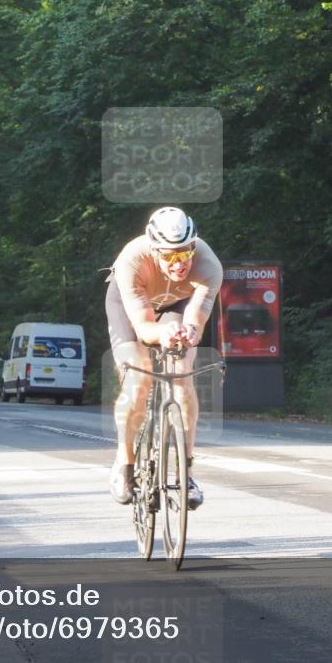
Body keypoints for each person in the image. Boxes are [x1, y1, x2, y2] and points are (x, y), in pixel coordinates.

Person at [105, 207, 223, 509]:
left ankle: (187, 472)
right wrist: (163, 333)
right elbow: (144, 327)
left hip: (177, 305)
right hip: (131, 308)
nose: (179, 263)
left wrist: (190, 333)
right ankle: (125, 462)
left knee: (182, 377)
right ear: (154, 250)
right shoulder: (132, 260)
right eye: (169, 256)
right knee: (138, 380)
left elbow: (196, 317)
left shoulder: (209, 266)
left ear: (193, 246)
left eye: (184, 254)